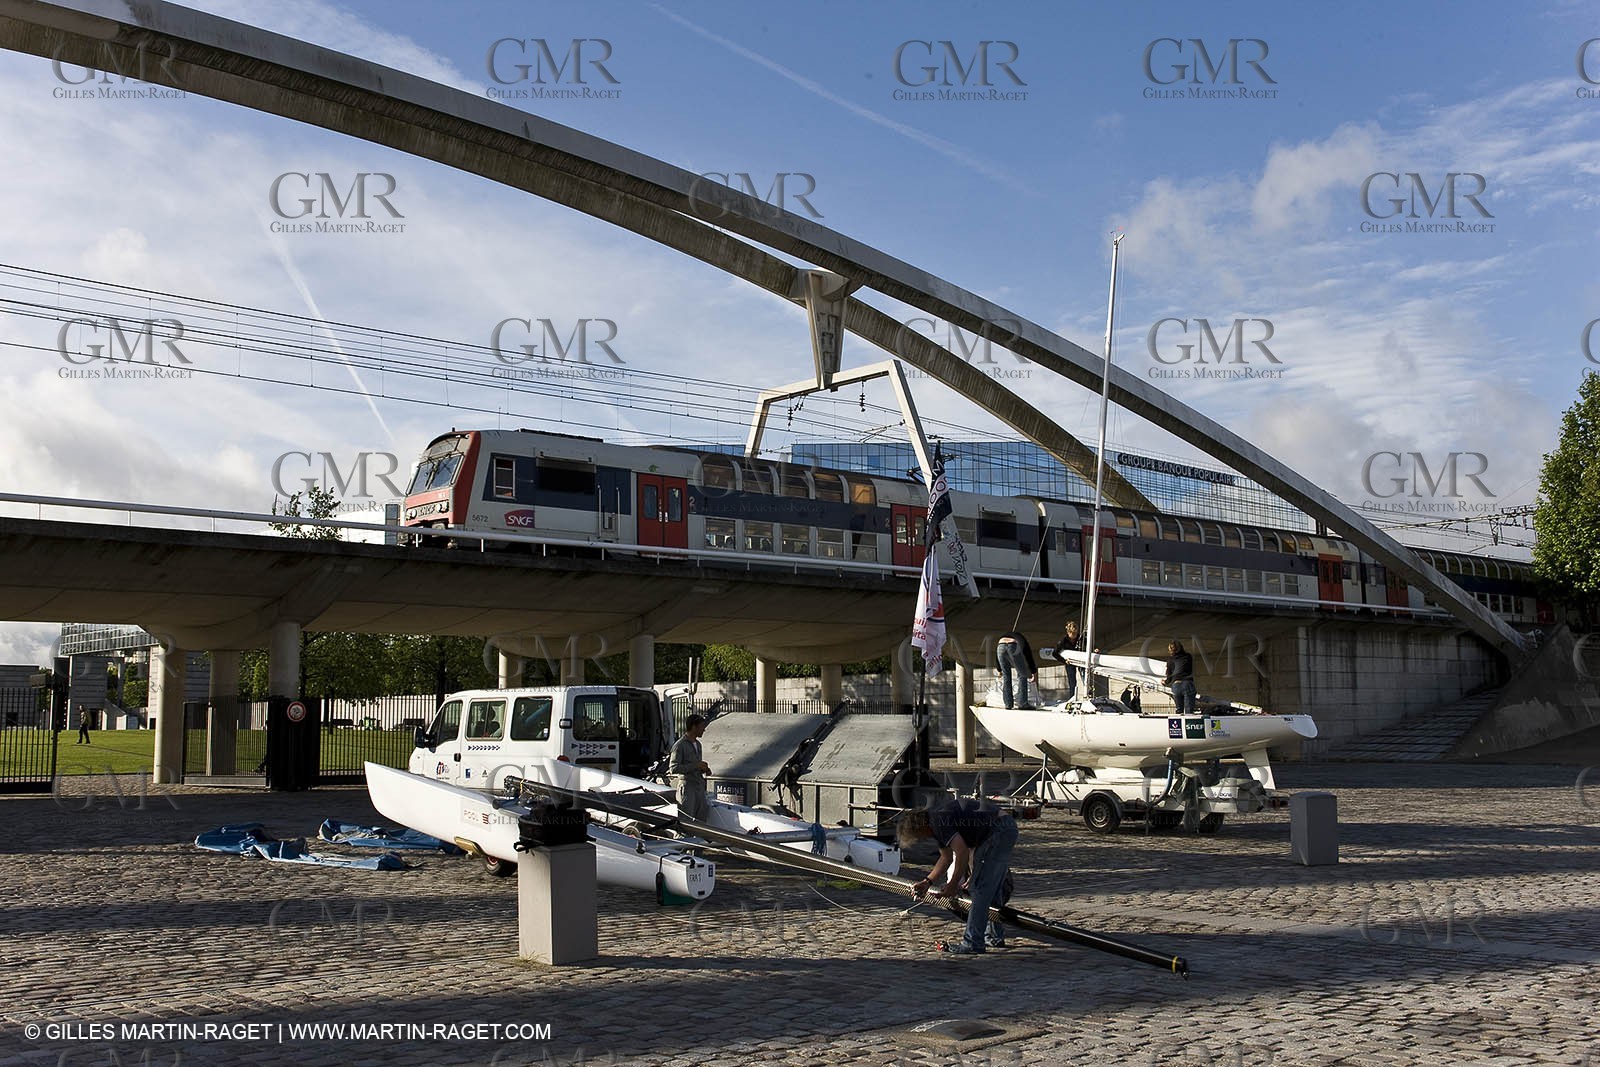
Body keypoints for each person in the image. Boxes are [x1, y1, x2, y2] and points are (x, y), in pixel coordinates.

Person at [902, 797, 1020, 954]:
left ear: (920, 827)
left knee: (980, 888)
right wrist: (927, 881)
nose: (921, 839)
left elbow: (962, 852)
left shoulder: (937, 822)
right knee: (991, 889)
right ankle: (993, 936)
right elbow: (946, 858)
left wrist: (952, 884)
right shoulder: (937, 821)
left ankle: (972, 943)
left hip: (998, 829)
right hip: (1003, 827)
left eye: (918, 836)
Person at [669, 714, 712, 822]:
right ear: (694, 727)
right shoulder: (680, 745)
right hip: (687, 787)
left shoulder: (698, 744)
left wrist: (704, 769)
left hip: (699, 786)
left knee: (701, 819)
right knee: (686, 820)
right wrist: (695, 766)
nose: (704, 729)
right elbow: (673, 768)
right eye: (702, 726)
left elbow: (695, 765)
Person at [995, 631, 1037, 709]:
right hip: (1012, 645)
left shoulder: (1004, 636)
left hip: (1000, 646)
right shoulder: (1022, 640)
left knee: (1006, 676)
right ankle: (1023, 703)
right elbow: (1028, 655)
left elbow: (996, 656)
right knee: (1022, 674)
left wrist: (999, 670)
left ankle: (1008, 704)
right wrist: (1033, 672)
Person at [1052, 620, 1082, 697]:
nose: (1074, 635)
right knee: (1072, 682)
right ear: (1068, 633)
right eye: (1072, 633)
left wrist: (1095, 648)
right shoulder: (1064, 640)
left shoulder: (1080, 638)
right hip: (1069, 662)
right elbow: (1055, 653)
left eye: (1076, 633)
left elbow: (1088, 643)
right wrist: (1064, 661)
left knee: (1085, 678)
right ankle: (1072, 697)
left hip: (1080, 660)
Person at [1166, 641, 1196, 714]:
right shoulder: (1188, 657)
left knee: (1179, 710)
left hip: (1176, 685)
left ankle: (1179, 724)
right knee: (1189, 710)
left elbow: (1169, 676)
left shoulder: (1170, 660)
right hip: (1187, 683)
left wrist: (1166, 682)